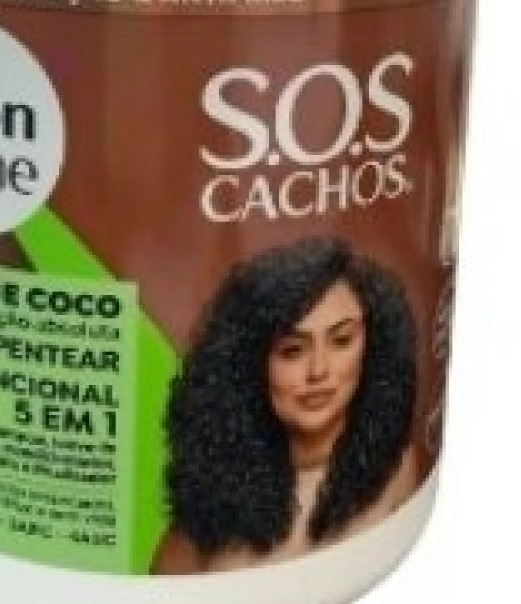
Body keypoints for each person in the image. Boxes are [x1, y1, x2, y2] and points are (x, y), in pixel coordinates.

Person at [151, 236, 419, 574]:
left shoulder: (396, 467)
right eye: (292, 351)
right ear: (247, 368)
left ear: (374, 345)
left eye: (341, 341)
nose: (319, 371)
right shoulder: (208, 516)